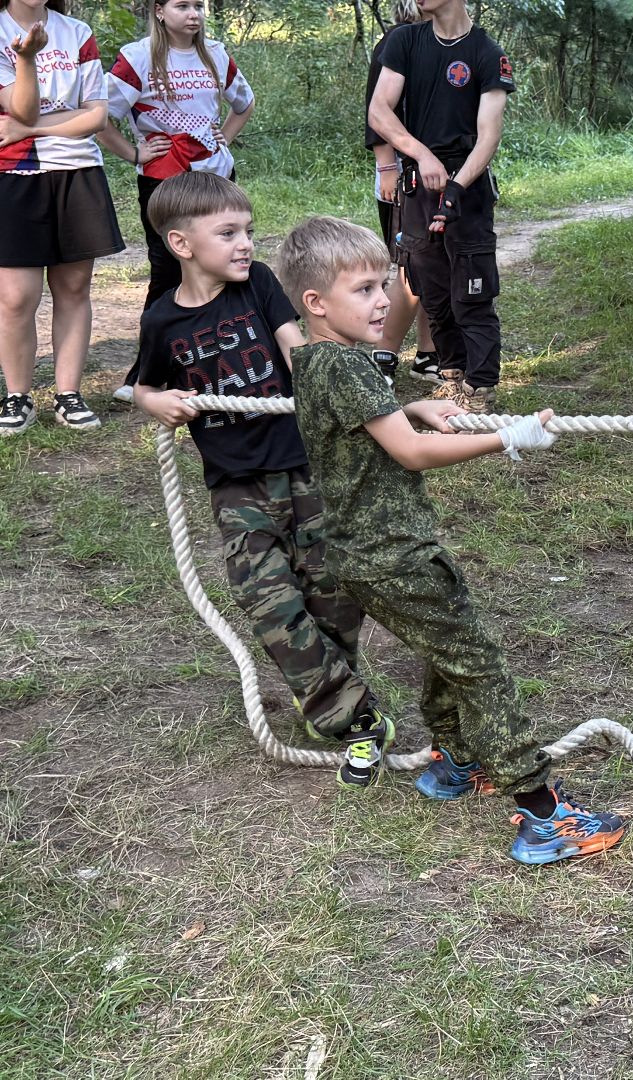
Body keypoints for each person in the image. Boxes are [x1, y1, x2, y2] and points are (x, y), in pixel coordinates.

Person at [276, 215, 626, 865]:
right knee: (478, 663)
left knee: (446, 649)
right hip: (395, 555)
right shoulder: (347, 368)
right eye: (363, 290)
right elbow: (407, 454)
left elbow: (357, 430)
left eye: (383, 284)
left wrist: (406, 407)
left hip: (363, 555)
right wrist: (507, 437)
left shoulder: (318, 360)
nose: (383, 300)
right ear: (316, 303)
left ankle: (454, 760)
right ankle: (542, 814)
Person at [132, 173, 390, 788]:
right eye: (228, 233)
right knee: (263, 592)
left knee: (331, 590)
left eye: (248, 229)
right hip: (236, 483)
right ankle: (355, 717)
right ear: (181, 244)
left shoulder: (263, 288)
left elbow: (297, 350)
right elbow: (142, 384)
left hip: (305, 464)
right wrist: (156, 403)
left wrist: (360, 395)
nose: (246, 243)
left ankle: (332, 692)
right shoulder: (162, 321)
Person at [100, 0, 255, 403]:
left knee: (226, 266)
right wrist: (133, 153)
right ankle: (147, 373)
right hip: (164, 181)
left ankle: (227, 360)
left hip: (216, 177)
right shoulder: (137, 58)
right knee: (169, 271)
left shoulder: (216, 54)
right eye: (182, 5)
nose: (194, 14)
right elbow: (99, 114)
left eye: (199, 5)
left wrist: (226, 134)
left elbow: (244, 103)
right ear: (159, 11)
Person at [367, 0, 514, 412]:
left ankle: (479, 388)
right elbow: (379, 112)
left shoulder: (487, 53)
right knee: (431, 289)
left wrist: (457, 185)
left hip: (468, 185)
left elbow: (488, 137)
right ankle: (451, 378)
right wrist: (422, 155)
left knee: (472, 289)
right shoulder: (405, 41)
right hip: (418, 183)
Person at [0, 0, 123, 436]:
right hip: (15, 173)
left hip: (78, 172)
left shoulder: (76, 30)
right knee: (16, 296)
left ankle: (68, 394)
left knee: (74, 286)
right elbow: (22, 107)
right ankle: (18, 395)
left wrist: (33, 129)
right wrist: (26, 58)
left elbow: (95, 115)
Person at [364, 0, 436, 384]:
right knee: (411, 263)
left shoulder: (446, 40)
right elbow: (376, 112)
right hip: (401, 173)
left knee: (435, 263)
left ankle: (428, 354)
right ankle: (384, 354)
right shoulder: (396, 40)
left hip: (439, 172)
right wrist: (386, 166)